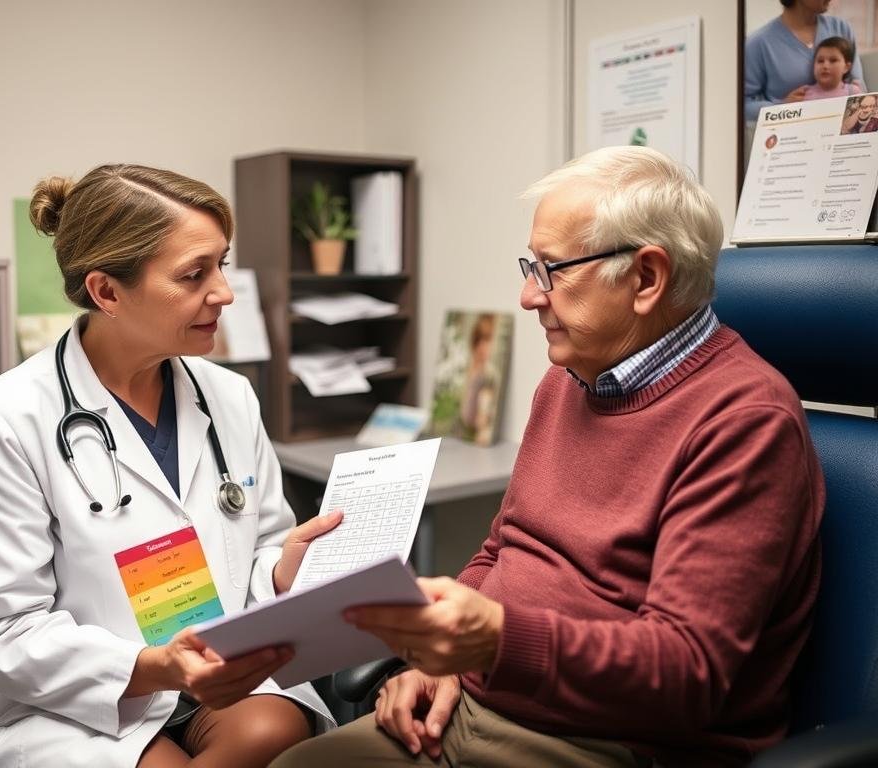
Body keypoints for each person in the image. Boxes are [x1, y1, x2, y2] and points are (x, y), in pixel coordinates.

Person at [271, 146, 824, 768]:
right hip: (481, 701)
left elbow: (686, 673)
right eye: (530, 267)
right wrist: (437, 661)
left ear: (646, 278)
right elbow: (503, 549)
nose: (528, 297)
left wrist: (495, 643)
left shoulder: (744, 422)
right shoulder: (569, 380)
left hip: (614, 743)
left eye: (551, 270)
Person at [0, 164, 340, 768]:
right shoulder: (8, 419)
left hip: (212, 667)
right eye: (193, 275)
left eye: (221, 264)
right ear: (106, 292)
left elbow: (256, 548)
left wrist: (281, 571)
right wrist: (153, 666)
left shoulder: (228, 396)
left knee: (272, 729)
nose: (225, 293)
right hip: (72, 699)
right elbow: (1, 633)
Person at [744, 0, 864, 121]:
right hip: (789, 135)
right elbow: (742, 104)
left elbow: (860, 92)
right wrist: (780, 108)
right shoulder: (758, 43)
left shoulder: (841, 29)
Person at [457, 313, 496, 444]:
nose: (482, 346)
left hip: (476, 433)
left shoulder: (488, 373)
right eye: (479, 340)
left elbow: (485, 411)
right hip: (463, 429)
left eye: (487, 340)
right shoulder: (469, 366)